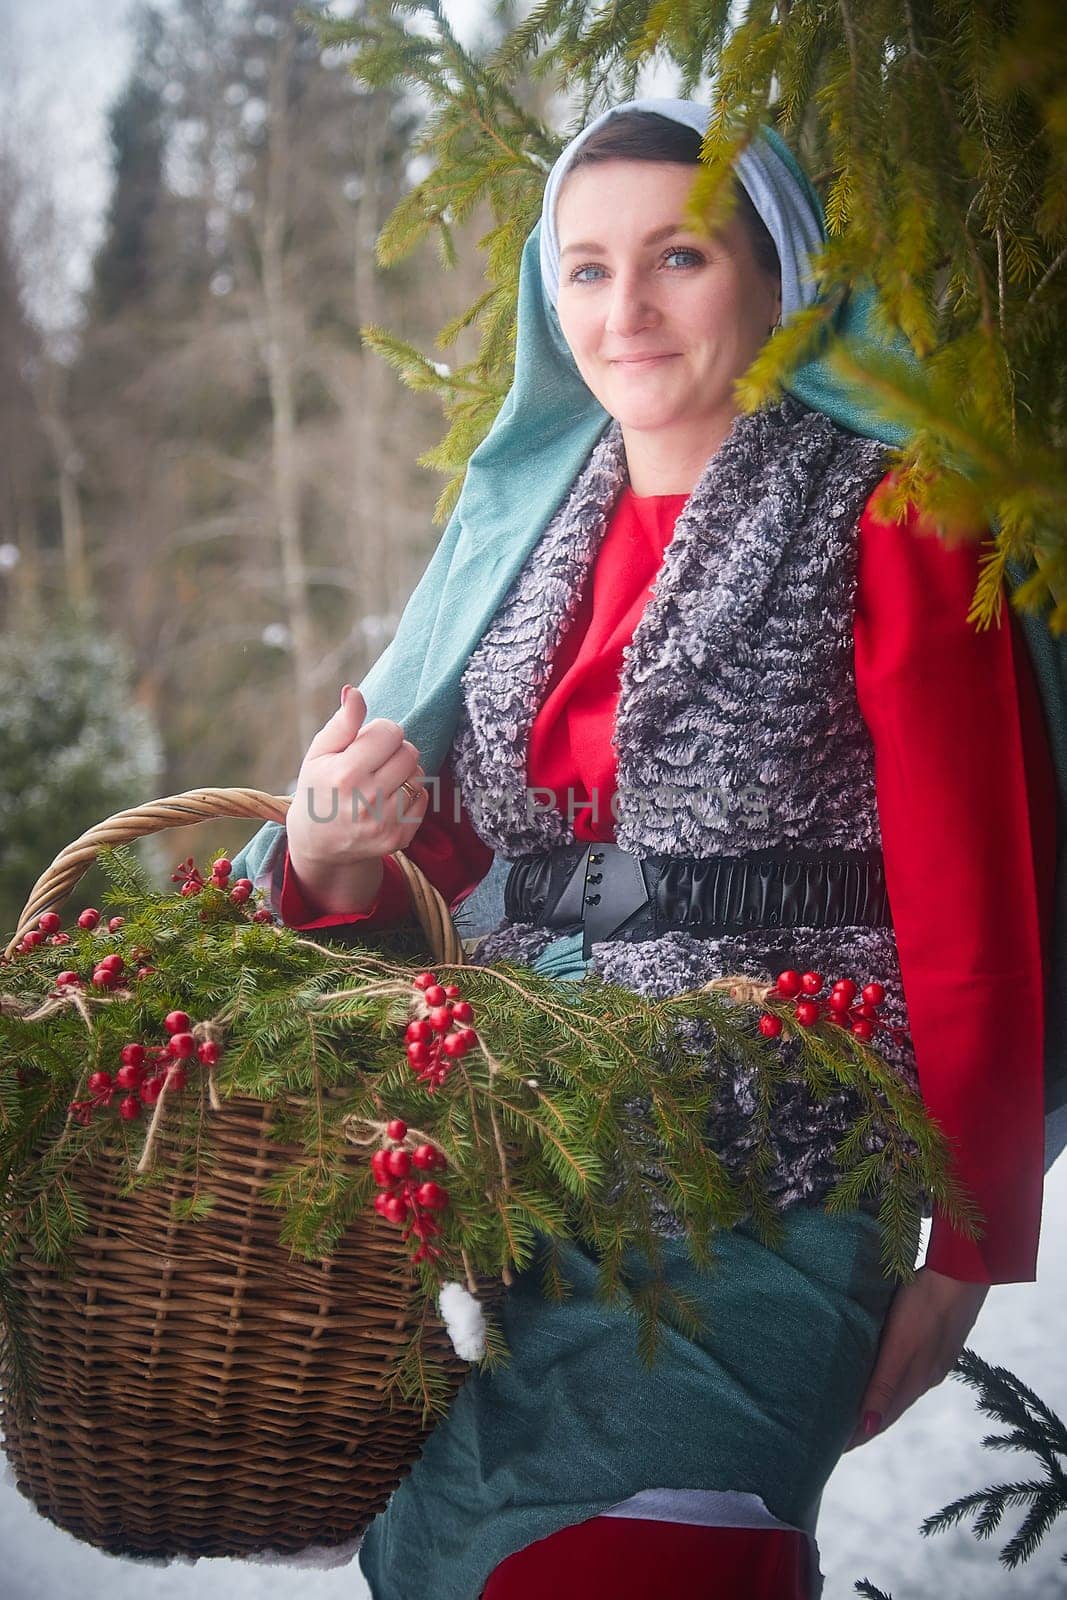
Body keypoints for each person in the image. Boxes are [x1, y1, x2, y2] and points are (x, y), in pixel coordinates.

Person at [230, 100, 1062, 1598]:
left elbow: (973, 902)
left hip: (787, 1159)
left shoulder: (887, 513)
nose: (627, 312)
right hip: (536, 1168)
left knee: (646, 1562)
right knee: (454, 1563)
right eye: (585, 268)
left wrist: (971, 1241)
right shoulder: (539, 537)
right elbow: (477, 864)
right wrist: (334, 853)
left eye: (678, 257)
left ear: (774, 273)